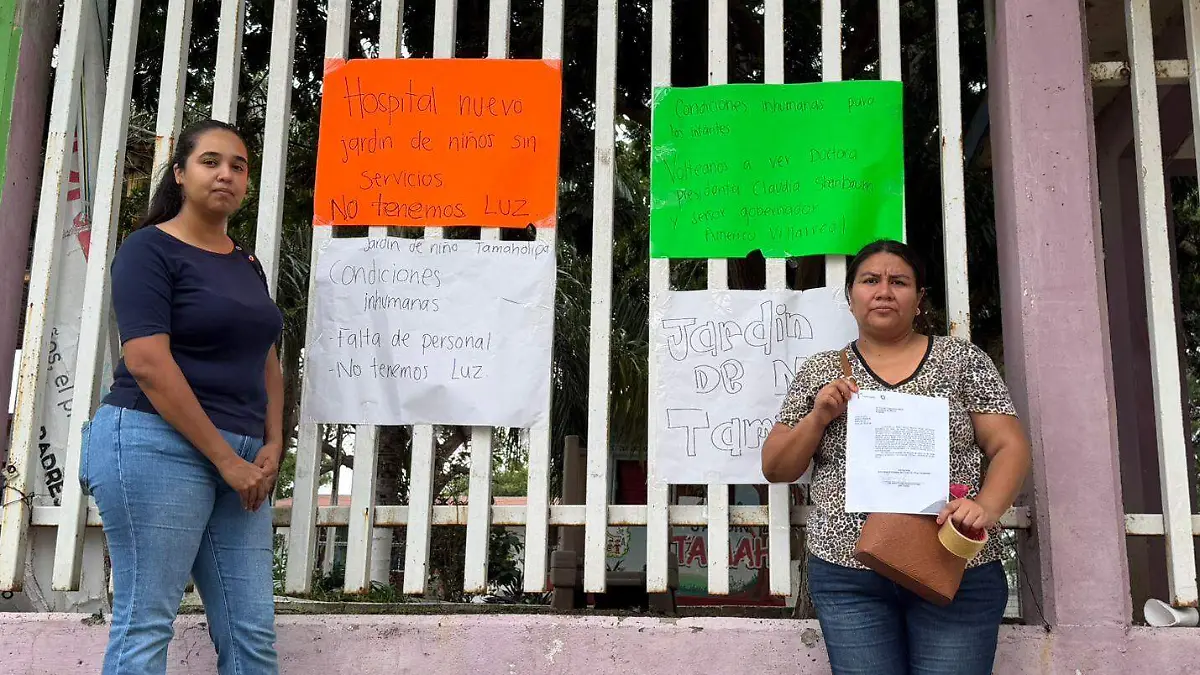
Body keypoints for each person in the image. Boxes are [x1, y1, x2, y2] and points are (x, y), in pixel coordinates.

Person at [761, 239, 1031, 675]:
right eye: (870, 280)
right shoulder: (820, 371)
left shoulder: (961, 361)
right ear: (850, 297)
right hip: (850, 574)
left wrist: (985, 508)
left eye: (899, 281)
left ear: (919, 298)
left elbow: (1009, 446)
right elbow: (776, 467)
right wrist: (819, 416)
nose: (884, 290)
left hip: (953, 563)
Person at [78, 120, 283, 675]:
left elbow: (266, 354)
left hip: (242, 459)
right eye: (210, 161)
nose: (226, 174)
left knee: (252, 633)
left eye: (238, 166)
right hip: (154, 443)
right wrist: (224, 459)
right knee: (148, 621)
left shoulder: (246, 263)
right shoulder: (149, 250)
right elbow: (146, 362)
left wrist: (272, 440)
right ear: (180, 174)